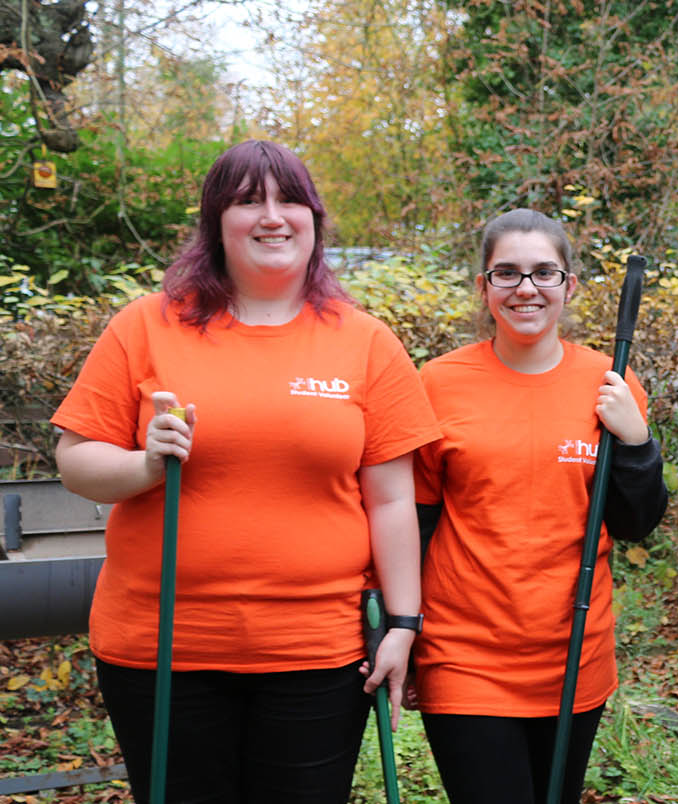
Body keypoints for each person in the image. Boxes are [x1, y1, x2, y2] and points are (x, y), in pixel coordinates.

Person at [50, 139, 439, 803]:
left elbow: (393, 499)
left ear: (314, 220)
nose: (272, 216)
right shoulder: (146, 327)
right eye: (247, 200)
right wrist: (146, 463)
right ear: (214, 224)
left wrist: (404, 624)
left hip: (316, 651)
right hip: (162, 648)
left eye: (290, 199)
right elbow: (76, 462)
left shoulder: (364, 341)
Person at [409, 209, 669, 804]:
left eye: (543, 273)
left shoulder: (610, 381)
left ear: (568, 285)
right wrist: (403, 627)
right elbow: (415, 521)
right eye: (507, 273)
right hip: (464, 654)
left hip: (574, 652)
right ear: (484, 287)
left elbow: (635, 523)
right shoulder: (438, 383)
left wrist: (636, 442)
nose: (526, 288)